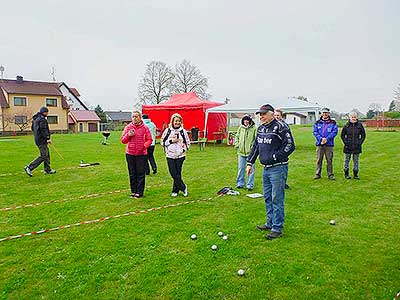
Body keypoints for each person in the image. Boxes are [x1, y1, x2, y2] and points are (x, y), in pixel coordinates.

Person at [247, 104, 295, 240]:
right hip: (266, 169)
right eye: (260, 114)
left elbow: (290, 145)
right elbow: (256, 146)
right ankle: (270, 222)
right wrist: (250, 162)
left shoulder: (281, 127)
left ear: (271, 114)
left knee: (277, 198)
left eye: (263, 114)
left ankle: (277, 228)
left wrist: (275, 156)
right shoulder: (261, 128)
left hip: (278, 168)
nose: (261, 117)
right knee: (267, 197)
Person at [121, 111, 152, 198]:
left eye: (136, 116)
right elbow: (123, 140)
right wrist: (128, 135)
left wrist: (144, 146)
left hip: (141, 154)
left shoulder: (145, 128)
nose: (134, 118)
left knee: (140, 173)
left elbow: (150, 140)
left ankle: (140, 192)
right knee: (132, 173)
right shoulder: (128, 127)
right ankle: (133, 191)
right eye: (133, 117)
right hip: (130, 153)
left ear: (140, 117)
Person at [161, 113, 190, 197]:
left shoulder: (183, 131)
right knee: (173, 173)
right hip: (170, 155)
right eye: (176, 121)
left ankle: (175, 190)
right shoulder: (168, 131)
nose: (177, 123)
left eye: (179, 121)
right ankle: (183, 187)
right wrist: (171, 141)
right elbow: (162, 142)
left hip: (180, 156)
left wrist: (183, 149)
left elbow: (187, 142)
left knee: (178, 173)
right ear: (172, 121)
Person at [24, 107, 56, 177]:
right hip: (41, 140)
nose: (47, 114)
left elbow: (32, 128)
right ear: (44, 112)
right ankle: (29, 167)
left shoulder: (35, 119)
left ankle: (47, 169)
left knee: (47, 154)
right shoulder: (42, 120)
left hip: (37, 139)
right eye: (47, 112)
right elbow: (43, 129)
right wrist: (47, 138)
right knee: (43, 155)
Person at [313, 107, 338, 180]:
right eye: (323, 113)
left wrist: (327, 139)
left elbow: (335, 132)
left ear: (328, 113)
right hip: (319, 144)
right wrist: (321, 139)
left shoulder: (333, 123)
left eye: (326, 113)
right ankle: (317, 174)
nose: (324, 114)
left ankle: (330, 175)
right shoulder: (317, 122)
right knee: (319, 160)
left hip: (329, 144)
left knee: (329, 160)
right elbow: (315, 132)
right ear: (321, 113)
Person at [340, 112, 366, 180]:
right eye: (352, 117)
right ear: (349, 117)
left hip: (357, 146)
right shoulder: (346, 126)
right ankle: (346, 174)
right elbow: (342, 135)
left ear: (356, 117)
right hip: (347, 147)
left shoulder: (360, 125)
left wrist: (360, 142)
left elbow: (363, 135)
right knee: (346, 160)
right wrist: (346, 142)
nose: (353, 118)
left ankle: (355, 174)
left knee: (356, 161)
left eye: (354, 117)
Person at [234, 114, 257, 190]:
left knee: (251, 170)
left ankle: (250, 185)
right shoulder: (241, 127)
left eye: (247, 120)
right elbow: (237, 136)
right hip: (240, 152)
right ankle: (240, 183)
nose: (246, 121)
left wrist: (252, 148)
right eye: (244, 120)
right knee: (241, 168)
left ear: (250, 121)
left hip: (250, 153)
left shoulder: (254, 128)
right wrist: (237, 144)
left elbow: (256, 140)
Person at [274, 109, 291, 189]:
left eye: (278, 115)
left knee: (283, 165)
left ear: (281, 116)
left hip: (282, 149)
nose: (276, 117)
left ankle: (283, 182)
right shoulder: (273, 125)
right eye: (275, 115)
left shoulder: (285, 126)